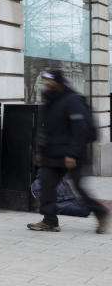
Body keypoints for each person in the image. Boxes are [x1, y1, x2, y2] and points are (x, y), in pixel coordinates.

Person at [28, 70, 109, 234]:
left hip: (72, 154)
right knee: (46, 185)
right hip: (52, 153)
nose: (46, 83)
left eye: (49, 81)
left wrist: (72, 153)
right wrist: (39, 151)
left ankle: (101, 212)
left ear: (58, 82)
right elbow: (45, 129)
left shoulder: (72, 100)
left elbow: (80, 129)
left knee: (79, 187)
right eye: (44, 80)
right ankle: (49, 221)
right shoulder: (49, 100)